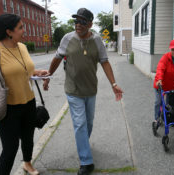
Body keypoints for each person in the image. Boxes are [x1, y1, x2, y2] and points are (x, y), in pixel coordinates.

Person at [43, 8, 123, 175]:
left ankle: (83, 145)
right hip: (73, 90)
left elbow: (105, 62)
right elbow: (57, 58)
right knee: (80, 124)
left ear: (90, 24)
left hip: (90, 90)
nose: (78, 24)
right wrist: (48, 76)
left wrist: (113, 83)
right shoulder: (67, 38)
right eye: (76, 21)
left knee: (89, 123)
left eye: (82, 21)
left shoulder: (97, 41)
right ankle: (86, 162)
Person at [0, 14, 47, 175]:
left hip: (28, 102)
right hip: (7, 108)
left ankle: (27, 164)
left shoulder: (22, 47)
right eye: (21, 28)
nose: (24, 30)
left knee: (28, 139)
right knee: (10, 148)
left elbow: (26, 72)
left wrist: (39, 73)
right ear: (9, 32)